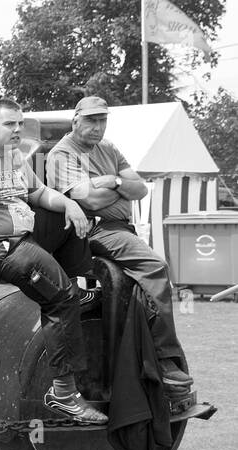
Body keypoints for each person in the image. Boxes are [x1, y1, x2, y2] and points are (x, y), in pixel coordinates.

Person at [0, 99, 108, 424]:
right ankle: (64, 394)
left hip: (21, 238)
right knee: (61, 298)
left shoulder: (13, 157)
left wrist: (69, 204)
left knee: (74, 212)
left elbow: (39, 194)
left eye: (19, 124)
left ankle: (73, 288)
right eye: (9, 124)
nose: (17, 130)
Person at [44, 96, 192, 392]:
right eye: (91, 120)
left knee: (145, 283)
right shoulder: (62, 154)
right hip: (94, 230)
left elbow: (139, 190)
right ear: (76, 120)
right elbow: (90, 201)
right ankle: (165, 360)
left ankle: (147, 354)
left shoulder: (108, 148)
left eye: (103, 120)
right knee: (155, 267)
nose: (98, 127)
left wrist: (112, 182)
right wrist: (116, 187)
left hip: (121, 228)